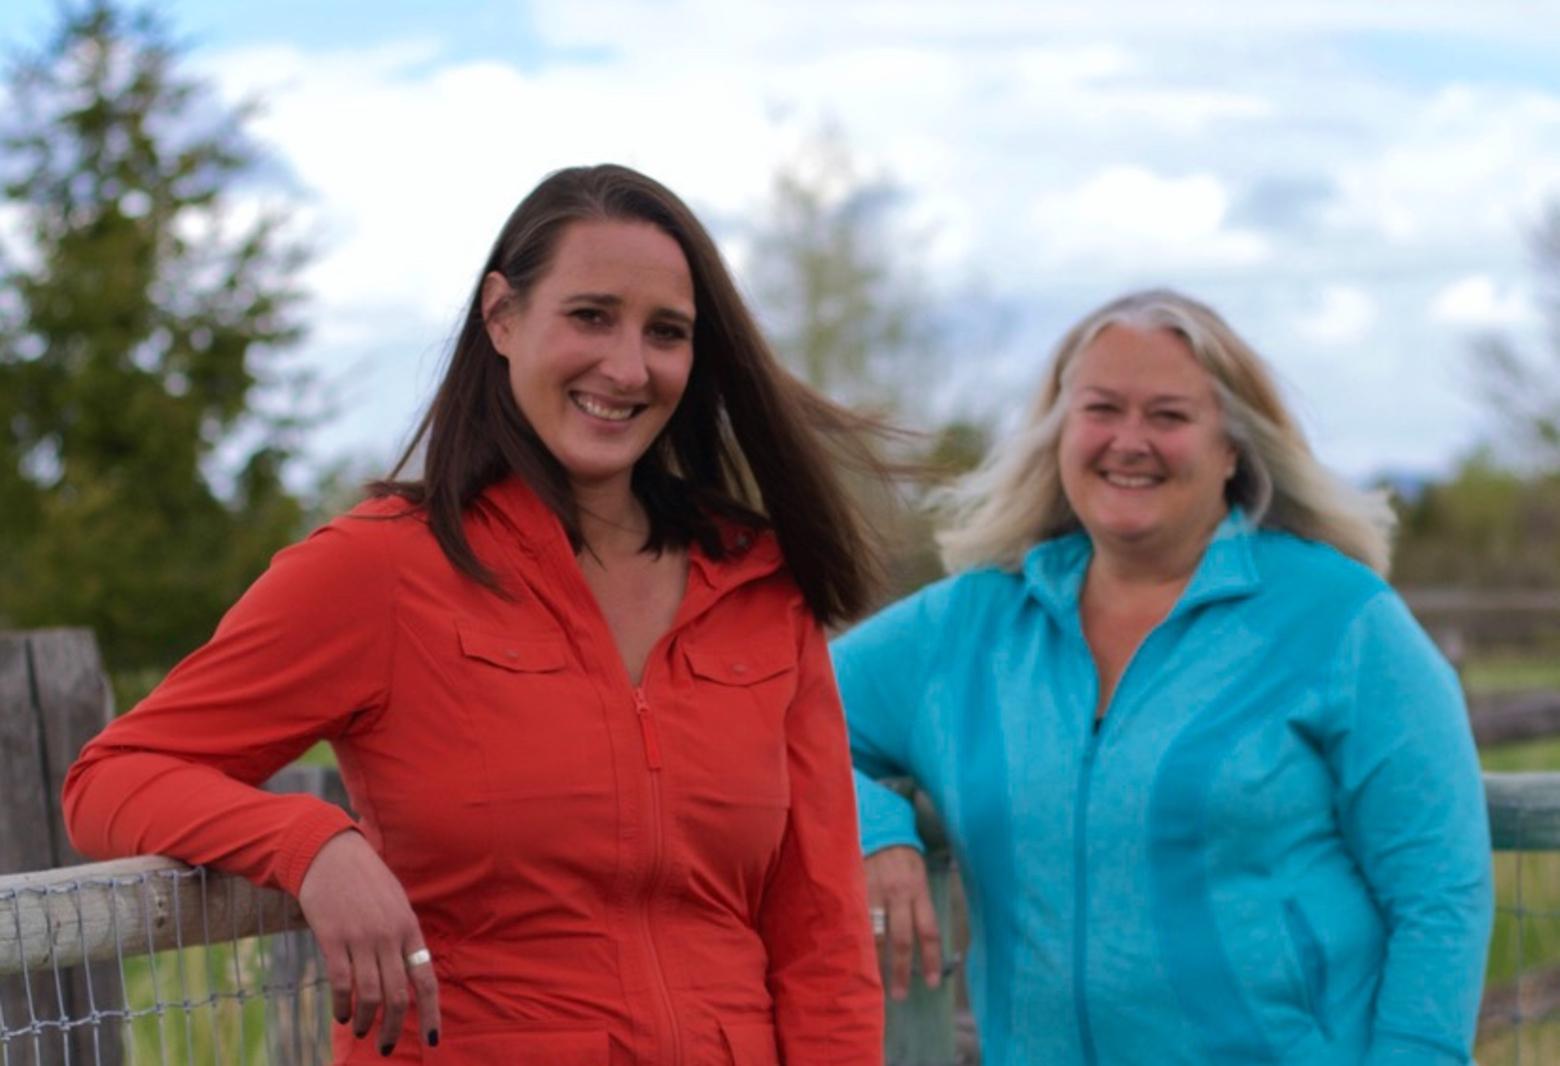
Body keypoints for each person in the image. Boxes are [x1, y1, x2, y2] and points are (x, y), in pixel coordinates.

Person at [64, 164, 885, 1064]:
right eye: (591, 316)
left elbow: (822, 939)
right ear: (501, 315)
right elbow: (116, 776)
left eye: (667, 333)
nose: (627, 366)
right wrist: (313, 846)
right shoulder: (379, 567)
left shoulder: (759, 587)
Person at [833, 289, 1493, 1065]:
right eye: (1102, 409)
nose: (1129, 441)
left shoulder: (1343, 621)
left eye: (1170, 417)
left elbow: (1440, 894)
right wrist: (873, 829)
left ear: (1233, 449)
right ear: (1059, 434)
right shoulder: (967, 626)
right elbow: (776, 712)